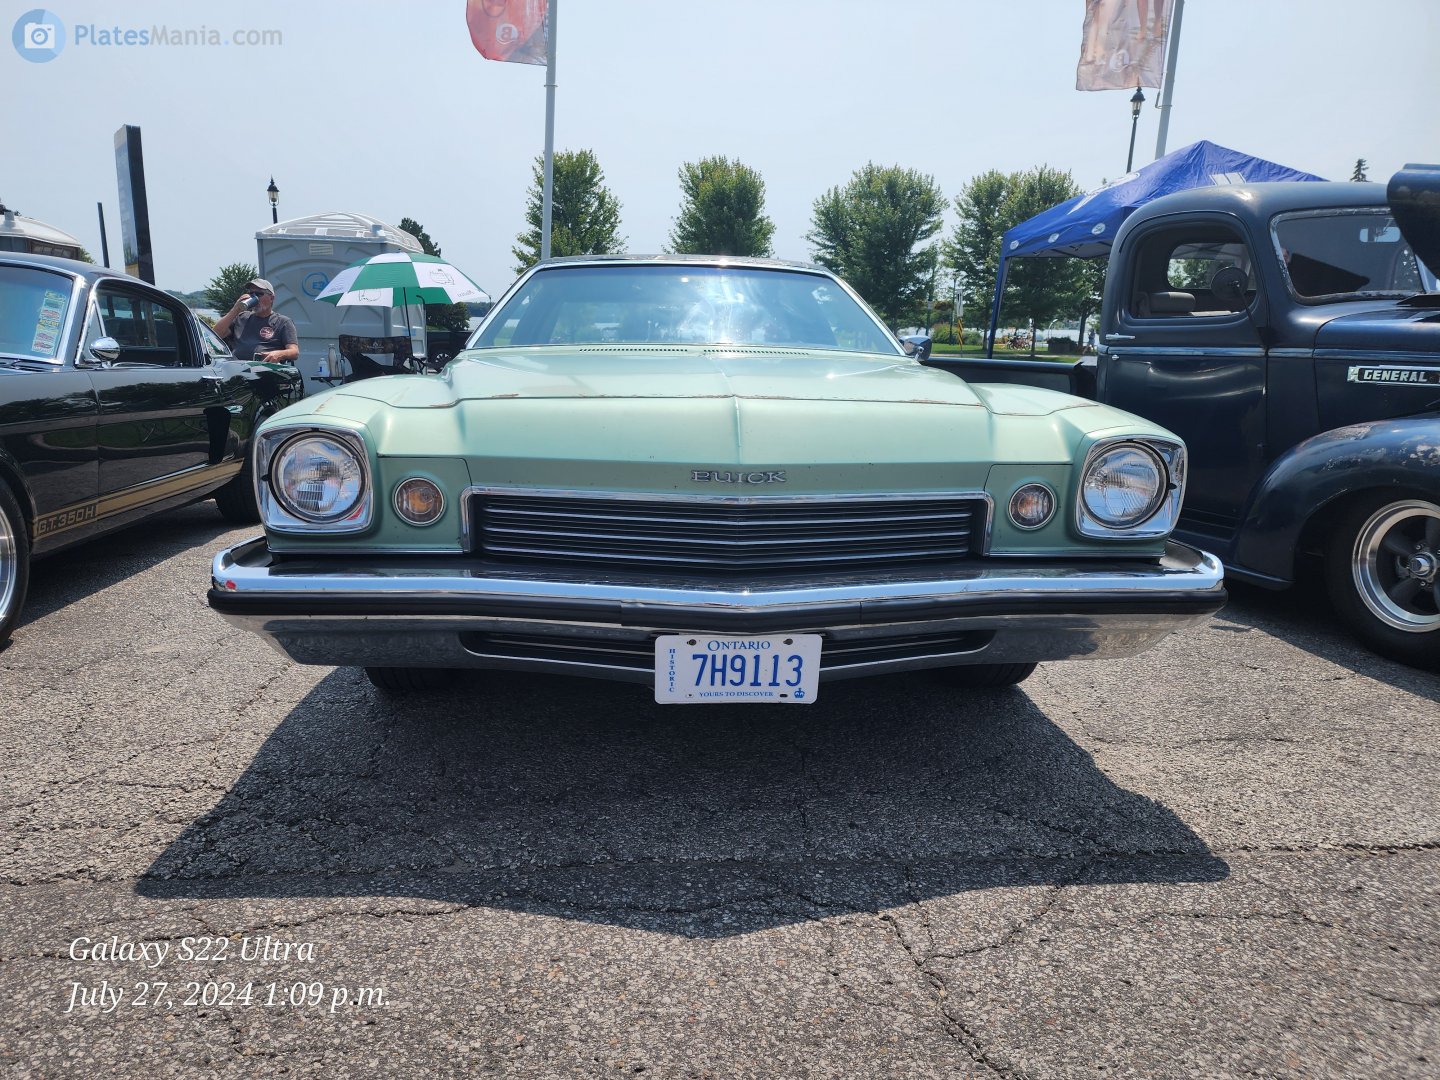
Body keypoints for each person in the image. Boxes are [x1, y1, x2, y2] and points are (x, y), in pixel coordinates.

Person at [214, 277, 298, 364]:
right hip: (238, 370)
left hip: (265, 371)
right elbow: (216, 335)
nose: (254, 297)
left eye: (258, 294)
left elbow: (294, 352)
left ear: (271, 298)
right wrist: (236, 309)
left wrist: (279, 354)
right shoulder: (242, 317)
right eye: (251, 294)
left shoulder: (283, 322)